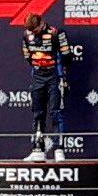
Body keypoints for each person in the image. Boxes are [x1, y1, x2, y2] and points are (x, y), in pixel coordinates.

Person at [21, 13, 69, 161]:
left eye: (35, 30)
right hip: (37, 77)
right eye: (31, 31)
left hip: (54, 76)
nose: (33, 33)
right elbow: (27, 55)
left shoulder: (56, 33)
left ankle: (59, 149)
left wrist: (62, 76)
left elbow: (66, 55)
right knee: (37, 113)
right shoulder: (26, 35)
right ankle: (38, 148)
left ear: (42, 23)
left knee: (56, 112)